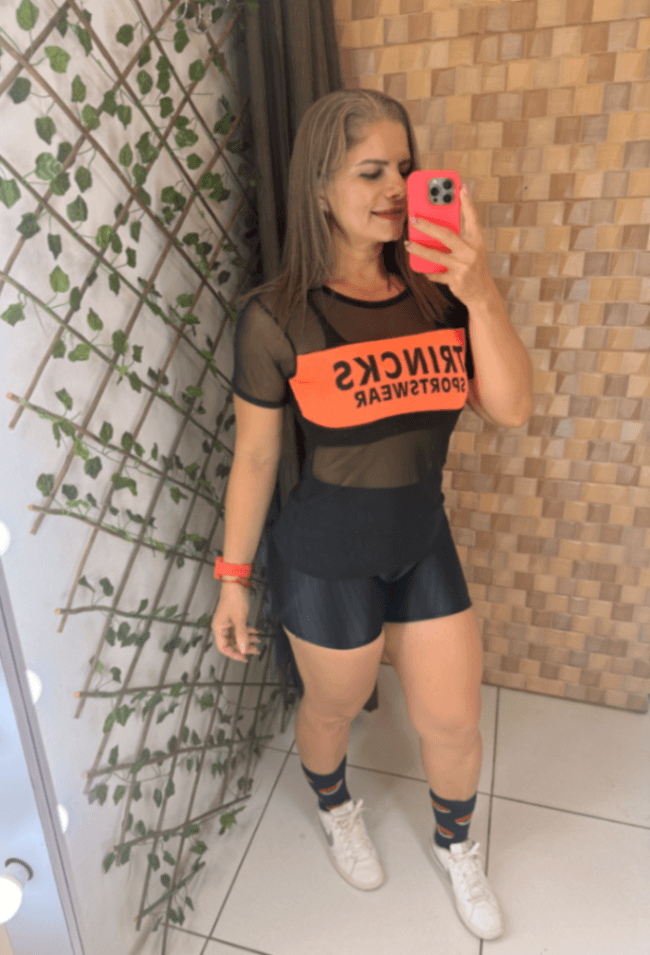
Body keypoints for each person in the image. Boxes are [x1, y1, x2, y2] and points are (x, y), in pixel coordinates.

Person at [211, 89, 533, 942]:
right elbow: (257, 458)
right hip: (325, 555)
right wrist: (233, 579)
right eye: (371, 171)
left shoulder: (439, 296)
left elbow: (512, 408)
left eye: (405, 168)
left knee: (453, 719)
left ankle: (458, 848)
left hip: (421, 540)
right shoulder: (276, 316)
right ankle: (336, 807)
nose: (396, 187)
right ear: (320, 186)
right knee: (334, 708)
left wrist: (481, 290)